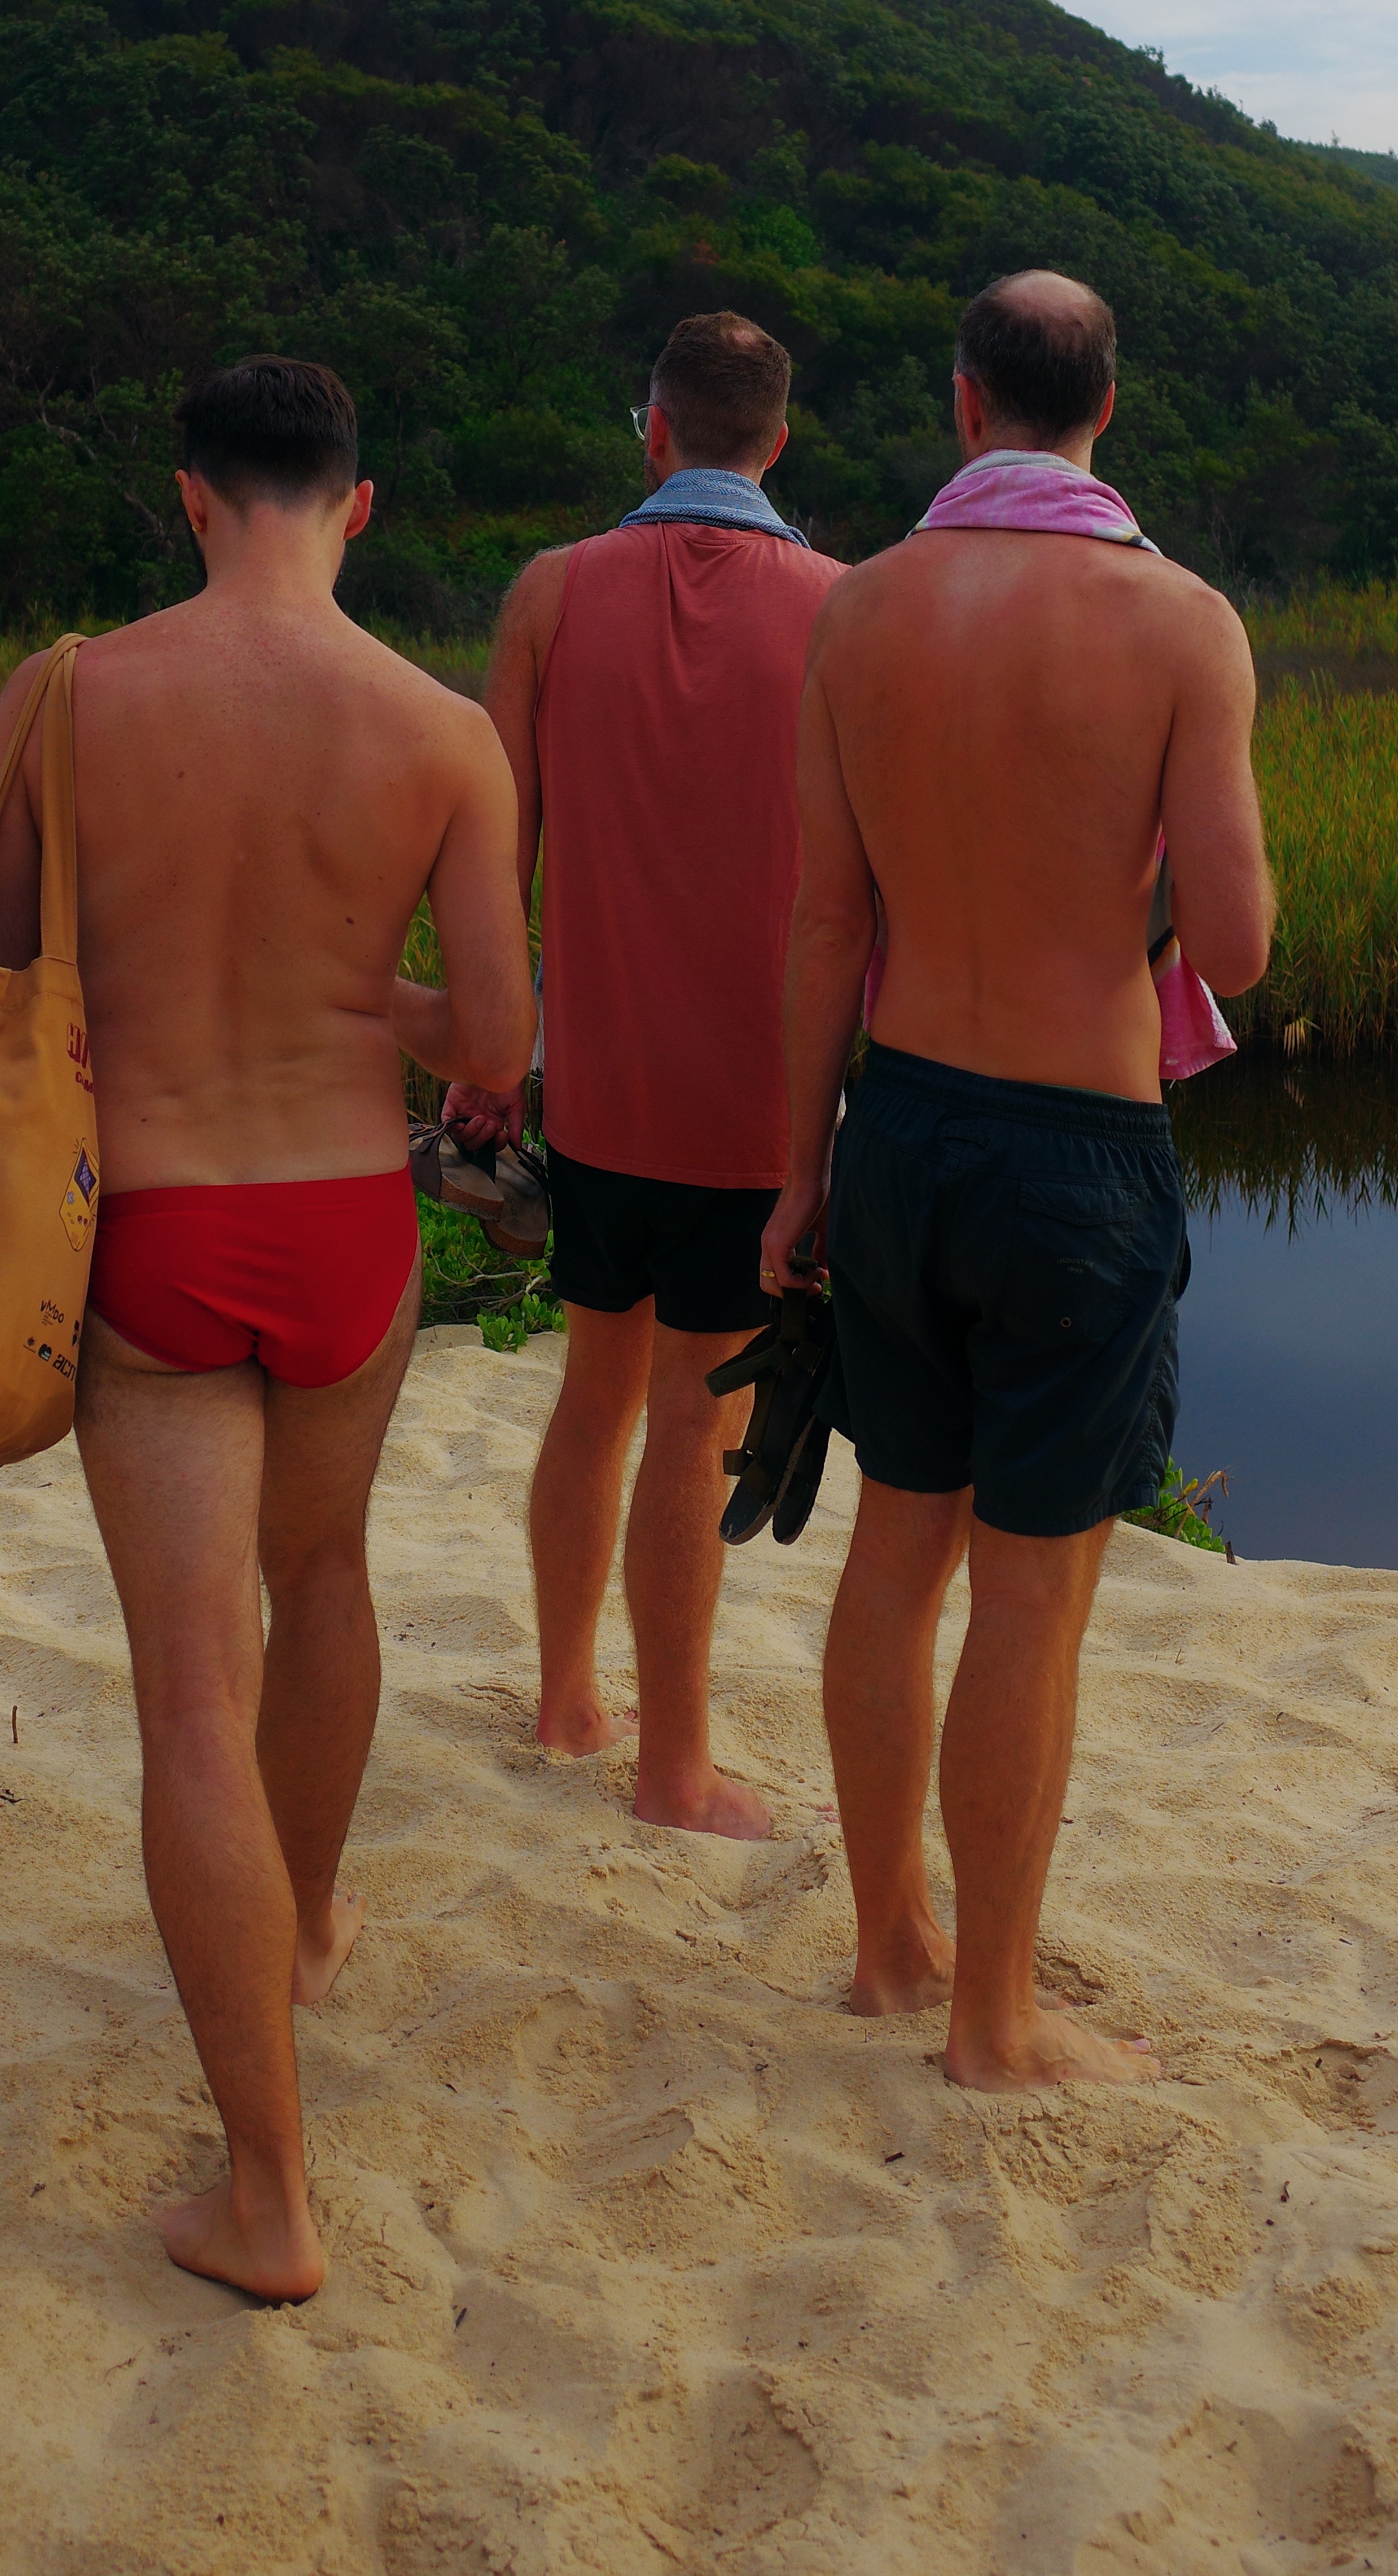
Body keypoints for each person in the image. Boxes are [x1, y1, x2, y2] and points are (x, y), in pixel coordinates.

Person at [0, 356, 534, 2302]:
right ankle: (302, 1932)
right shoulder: (444, 732)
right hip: (349, 1225)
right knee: (330, 1573)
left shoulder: (66, 701)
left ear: (187, 495)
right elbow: (506, 1052)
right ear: (356, 507)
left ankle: (268, 2199)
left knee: (191, 1692)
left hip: (164, 1226)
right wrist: (380, 1013)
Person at [762, 271, 1273, 2093]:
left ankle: (890, 1950)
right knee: (1033, 1596)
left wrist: (793, 1168)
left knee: (898, 1548)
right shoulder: (1183, 625)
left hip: (894, 1130)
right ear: (1106, 412)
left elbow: (825, 920)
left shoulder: (862, 613)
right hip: (1078, 1151)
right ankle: (995, 2022)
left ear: (967, 406)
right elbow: (1237, 937)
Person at [443, 310, 843, 1839]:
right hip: (757, 1103)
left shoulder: (549, 594)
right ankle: (673, 1771)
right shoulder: (843, 605)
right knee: (699, 1421)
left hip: (594, 1089)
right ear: (778, 443)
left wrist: (499, 1062)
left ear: (654, 431)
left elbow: (495, 857)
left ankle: (563, 1702)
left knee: (596, 1394)